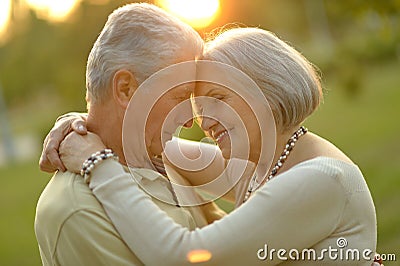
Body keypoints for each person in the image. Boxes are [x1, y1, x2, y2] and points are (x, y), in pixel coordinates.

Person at [42, 27, 377, 265]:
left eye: (217, 98)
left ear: (266, 91)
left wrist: (97, 163)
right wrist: (80, 123)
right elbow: (145, 142)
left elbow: (186, 256)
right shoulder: (261, 163)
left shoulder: (320, 180)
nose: (202, 120)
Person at [34, 3, 226, 265]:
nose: (191, 121)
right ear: (126, 89)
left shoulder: (161, 157)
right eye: (180, 97)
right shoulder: (76, 211)